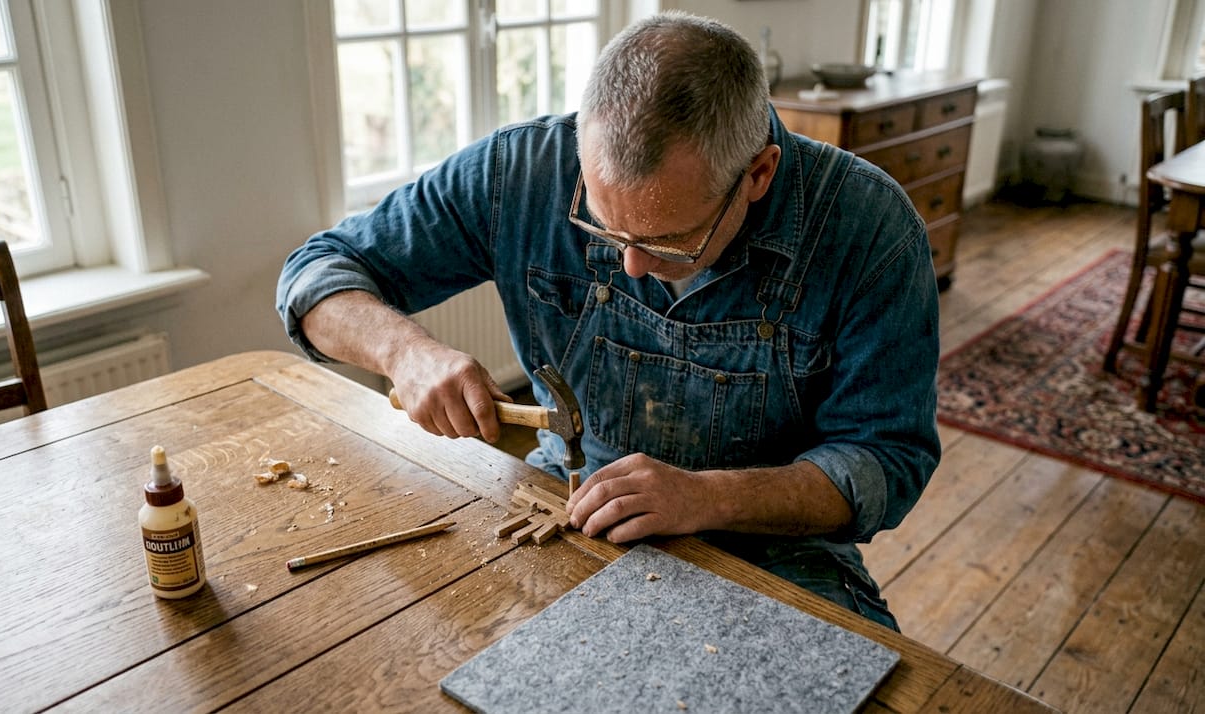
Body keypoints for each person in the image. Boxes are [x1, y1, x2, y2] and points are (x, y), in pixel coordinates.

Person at [277, 11, 940, 631]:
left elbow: (886, 460)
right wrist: (404, 352)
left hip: (773, 545)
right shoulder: (522, 172)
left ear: (758, 174)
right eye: (601, 222)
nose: (628, 264)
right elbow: (313, 277)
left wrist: (707, 498)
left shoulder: (868, 228)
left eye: (669, 241)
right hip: (566, 501)